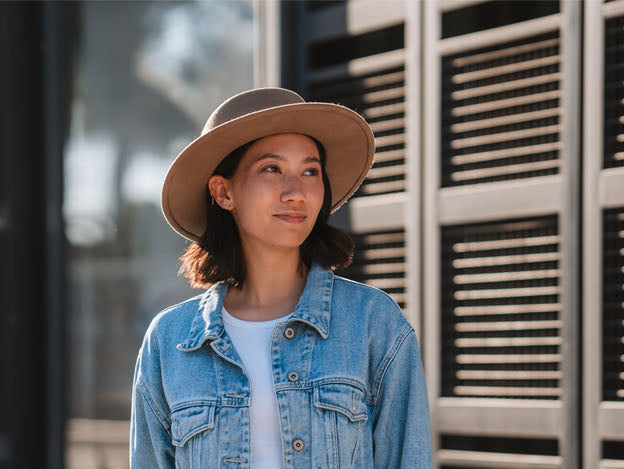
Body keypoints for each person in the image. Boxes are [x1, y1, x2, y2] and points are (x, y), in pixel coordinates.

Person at [130, 87, 431, 468]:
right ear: (223, 192)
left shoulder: (372, 322)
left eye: (310, 171)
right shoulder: (169, 342)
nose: (296, 192)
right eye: (271, 169)